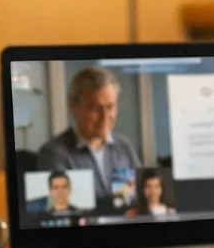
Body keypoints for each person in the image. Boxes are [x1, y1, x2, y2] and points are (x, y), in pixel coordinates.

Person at [36, 66, 143, 209]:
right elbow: (59, 212)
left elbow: (135, 200)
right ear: (74, 107)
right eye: (94, 109)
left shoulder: (124, 146)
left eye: (110, 107)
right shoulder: (53, 154)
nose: (104, 117)